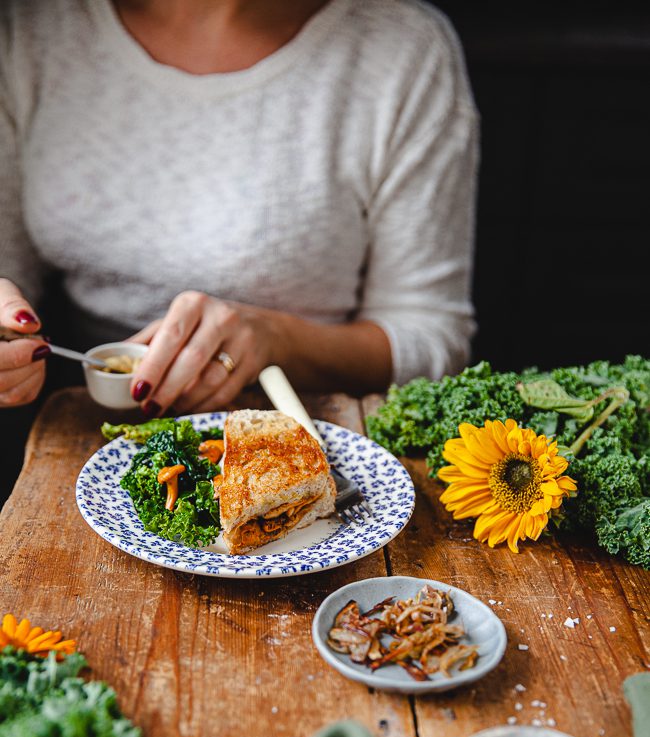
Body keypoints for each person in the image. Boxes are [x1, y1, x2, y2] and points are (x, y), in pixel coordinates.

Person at [0, 0, 478, 423]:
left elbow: (432, 339)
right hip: (88, 430)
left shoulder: (403, 48)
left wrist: (278, 341)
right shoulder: (29, 29)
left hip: (316, 427)